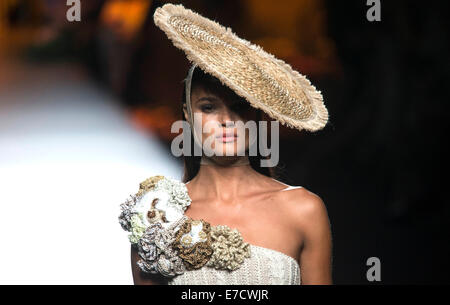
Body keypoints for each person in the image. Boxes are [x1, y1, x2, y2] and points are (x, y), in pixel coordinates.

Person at [126, 3, 332, 285]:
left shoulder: (303, 211)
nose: (226, 120)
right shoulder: (157, 217)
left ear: (258, 115)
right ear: (187, 114)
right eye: (209, 107)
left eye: (240, 108)